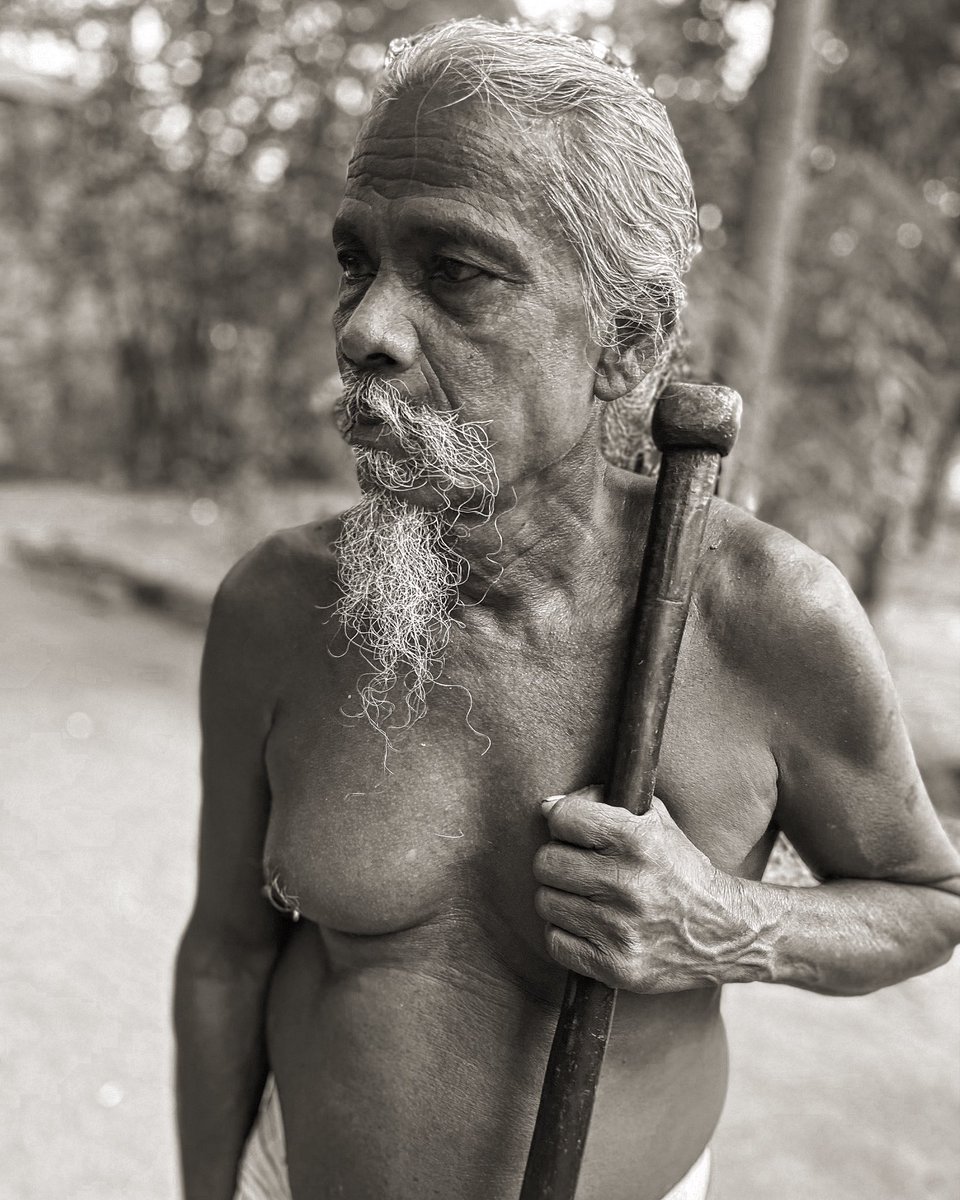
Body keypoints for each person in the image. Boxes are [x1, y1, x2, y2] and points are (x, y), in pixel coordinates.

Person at [173, 19, 960, 1200]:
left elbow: (929, 902)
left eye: (456, 272)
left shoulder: (764, 619)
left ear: (628, 344)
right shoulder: (280, 611)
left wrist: (728, 924)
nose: (365, 332)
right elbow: (227, 956)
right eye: (357, 263)